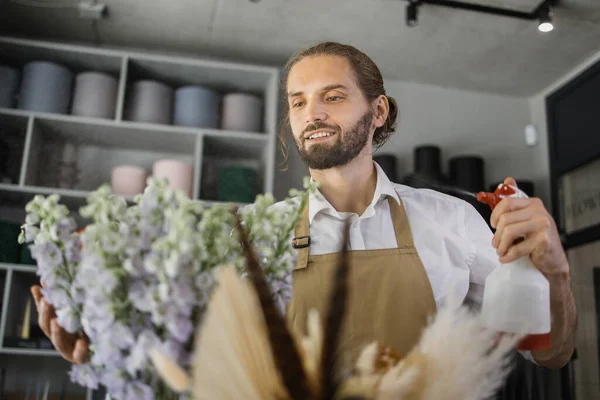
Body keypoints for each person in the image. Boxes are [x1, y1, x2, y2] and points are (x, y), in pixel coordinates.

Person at [32, 41, 576, 370]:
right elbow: (186, 355)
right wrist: (103, 346)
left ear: (378, 110)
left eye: (333, 95)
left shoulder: (452, 221)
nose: (311, 113)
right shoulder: (247, 234)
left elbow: (548, 353)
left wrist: (556, 277)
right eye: (298, 101)